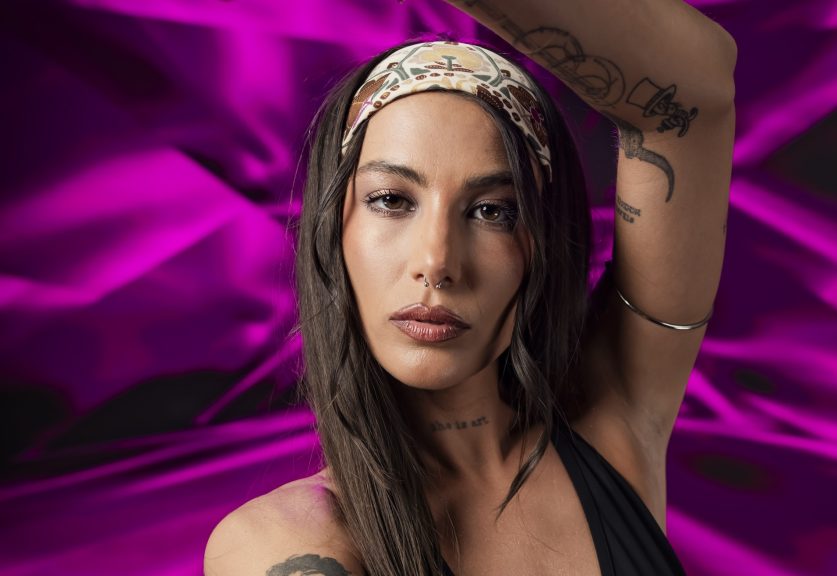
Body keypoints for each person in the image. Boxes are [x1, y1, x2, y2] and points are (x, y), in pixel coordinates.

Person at [204, 1, 735, 574]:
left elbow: (692, 88)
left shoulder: (615, 413)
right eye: (391, 200)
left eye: (493, 211)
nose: (437, 262)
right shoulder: (279, 543)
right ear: (334, 228)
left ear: (541, 246)